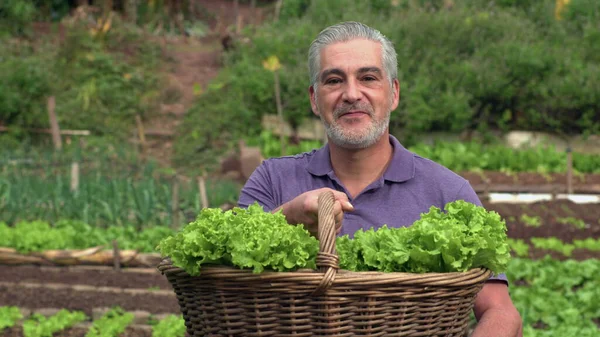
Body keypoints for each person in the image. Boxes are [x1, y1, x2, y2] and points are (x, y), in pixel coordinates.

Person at [238, 21, 522, 337]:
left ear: (394, 93)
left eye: (368, 78)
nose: (351, 94)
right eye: (333, 80)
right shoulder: (273, 180)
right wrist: (287, 217)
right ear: (315, 99)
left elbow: (500, 311)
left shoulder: (449, 192)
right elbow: (227, 274)